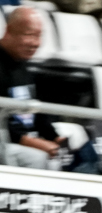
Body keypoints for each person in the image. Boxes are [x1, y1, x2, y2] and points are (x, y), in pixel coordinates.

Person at [1, 7, 60, 170]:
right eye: (29, 35)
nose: (35, 43)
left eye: (39, 36)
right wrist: (31, 142)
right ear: (9, 31)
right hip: (5, 142)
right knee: (38, 159)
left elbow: (36, 109)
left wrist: (55, 137)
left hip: (25, 140)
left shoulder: (23, 65)